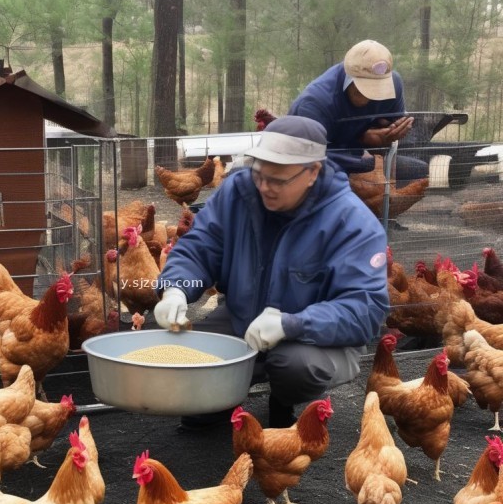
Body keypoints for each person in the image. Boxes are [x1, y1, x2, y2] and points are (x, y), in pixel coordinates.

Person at [153, 115, 389, 431]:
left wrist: (293, 324)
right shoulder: (239, 192)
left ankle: (283, 399)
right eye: (259, 174)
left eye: (278, 180)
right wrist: (177, 288)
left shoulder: (352, 223)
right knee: (191, 354)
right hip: (243, 316)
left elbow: (365, 310)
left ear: (313, 172)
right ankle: (223, 398)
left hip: (317, 339)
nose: (265, 186)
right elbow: (201, 245)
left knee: (294, 367)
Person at [288, 39, 427, 189]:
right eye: (365, 88)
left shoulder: (394, 85)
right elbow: (307, 161)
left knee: (419, 170)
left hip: (362, 157)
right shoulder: (314, 104)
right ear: (350, 77)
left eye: (379, 88)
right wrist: (364, 152)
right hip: (313, 165)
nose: (371, 96)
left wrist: (384, 140)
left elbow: (388, 133)